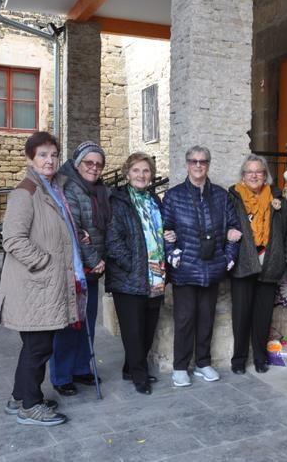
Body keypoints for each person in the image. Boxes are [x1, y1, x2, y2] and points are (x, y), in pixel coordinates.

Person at [0, 131, 80, 426]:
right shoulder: (26, 192)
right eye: (43, 154)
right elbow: (13, 239)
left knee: (33, 345)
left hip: (43, 286)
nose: (50, 160)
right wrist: (43, 262)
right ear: (30, 157)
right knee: (39, 347)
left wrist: (72, 238)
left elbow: (51, 229)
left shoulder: (51, 188)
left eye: (54, 154)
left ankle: (20, 396)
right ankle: (30, 406)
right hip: (35, 285)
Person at [162, 145, 240, 387]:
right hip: (185, 268)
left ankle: (203, 363)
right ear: (187, 164)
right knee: (185, 319)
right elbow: (164, 230)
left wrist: (228, 258)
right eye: (194, 161)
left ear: (208, 164)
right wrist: (174, 256)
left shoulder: (220, 195)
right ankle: (180, 367)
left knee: (207, 318)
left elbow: (233, 229)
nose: (198, 165)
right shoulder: (174, 195)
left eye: (203, 161)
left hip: (213, 266)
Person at [49, 141, 110, 396]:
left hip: (94, 267)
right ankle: (62, 375)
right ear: (77, 162)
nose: (94, 168)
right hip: (75, 267)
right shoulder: (68, 187)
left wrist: (100, 259)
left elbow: (99, 229)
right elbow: (75, 231)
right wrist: (95, 259)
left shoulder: (98, 189)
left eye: (98, 164)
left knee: (88, 320)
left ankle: (81, 368)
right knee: (69, 323)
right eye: (89, 163)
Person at [227, 154, 287, 374]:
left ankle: (260, 358)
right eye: (250, 172)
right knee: (241, 316)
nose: (254, 176)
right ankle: (238, 360)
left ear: (265, 175)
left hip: (269, 265)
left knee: (263, 316)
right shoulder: (232, 198)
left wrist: (283, 257)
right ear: (243, 175)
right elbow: (224, 226)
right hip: (242, 264)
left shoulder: (278, 199)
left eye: (259, 172)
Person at [105, 152, 166, 395]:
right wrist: (132, 264)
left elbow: (160, 231)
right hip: (129, 276)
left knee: (148, 328)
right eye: (136, 170)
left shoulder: (154, 200)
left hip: (156, 274)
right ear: (127, 173)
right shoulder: (118, 202)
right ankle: (140, 376)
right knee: (133, 329)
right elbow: (113, 240)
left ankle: (130, 368)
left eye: (146, 171)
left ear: (151, 175)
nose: (141, 175)